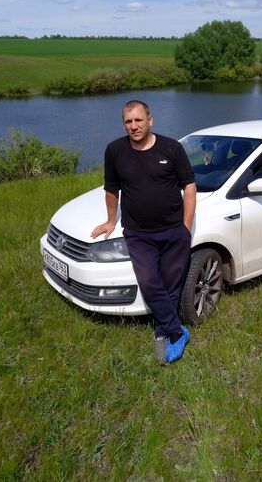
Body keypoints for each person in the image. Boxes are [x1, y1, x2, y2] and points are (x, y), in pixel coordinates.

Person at [91, 100, 196, 365]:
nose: (134, 126)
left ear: (150, 120)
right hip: (139, 233)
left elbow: (189, 186)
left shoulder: (172, 148)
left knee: (171, 285)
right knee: (150, 282)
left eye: (138, 120)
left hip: (174, 230)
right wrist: (110, 221)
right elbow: (111, 189)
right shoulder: (115, 151)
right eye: (128, 122)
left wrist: (185, 227)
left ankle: (162, 331)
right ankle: (177, 332)